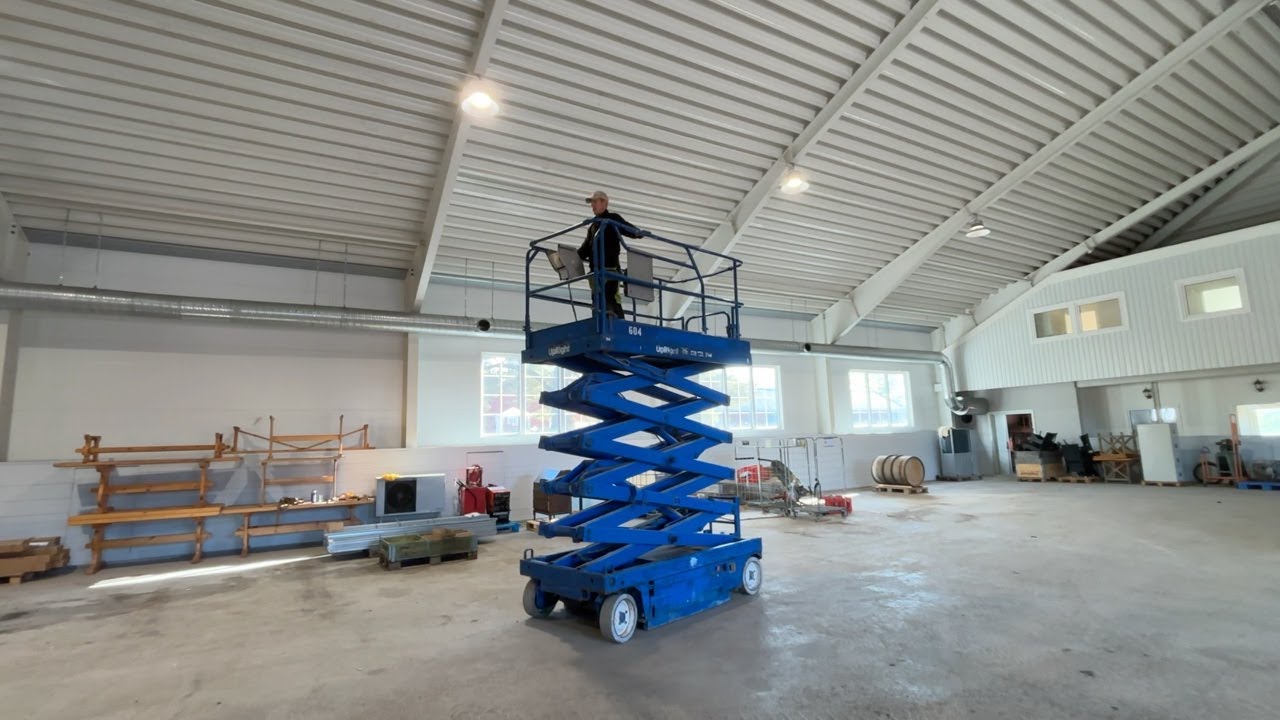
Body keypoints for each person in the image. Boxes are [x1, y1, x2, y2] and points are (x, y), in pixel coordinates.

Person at [577, 190, 643, 319]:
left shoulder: (612, 219)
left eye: (595, 202)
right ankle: (603, 321)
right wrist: (570, 257)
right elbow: (585, 249)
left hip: (610, 271)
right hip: (595, 273)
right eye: (591, 203)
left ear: (604, 203)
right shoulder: (593, 226)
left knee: (610, 299)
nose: (592, 205)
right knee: (598, 301)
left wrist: (637, 233)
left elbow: (626, 227)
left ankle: (618, 323)